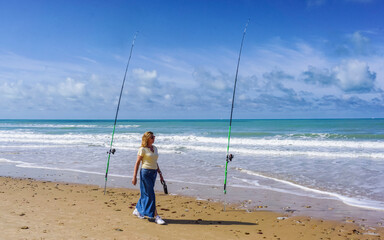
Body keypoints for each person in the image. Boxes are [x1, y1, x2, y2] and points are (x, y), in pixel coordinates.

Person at [132, 131, 165, 225]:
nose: (154, 138)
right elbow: (137, 163)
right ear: (147, 138)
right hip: (145, 173)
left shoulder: (155, 148)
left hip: (154, 173)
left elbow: (155, 162)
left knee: (146, 193)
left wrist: (160, 174)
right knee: (150, 194)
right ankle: (156, 216)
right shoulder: (142, 149)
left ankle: (137, 209)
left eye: (154, 136)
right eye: (152, 137)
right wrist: (134, 177)